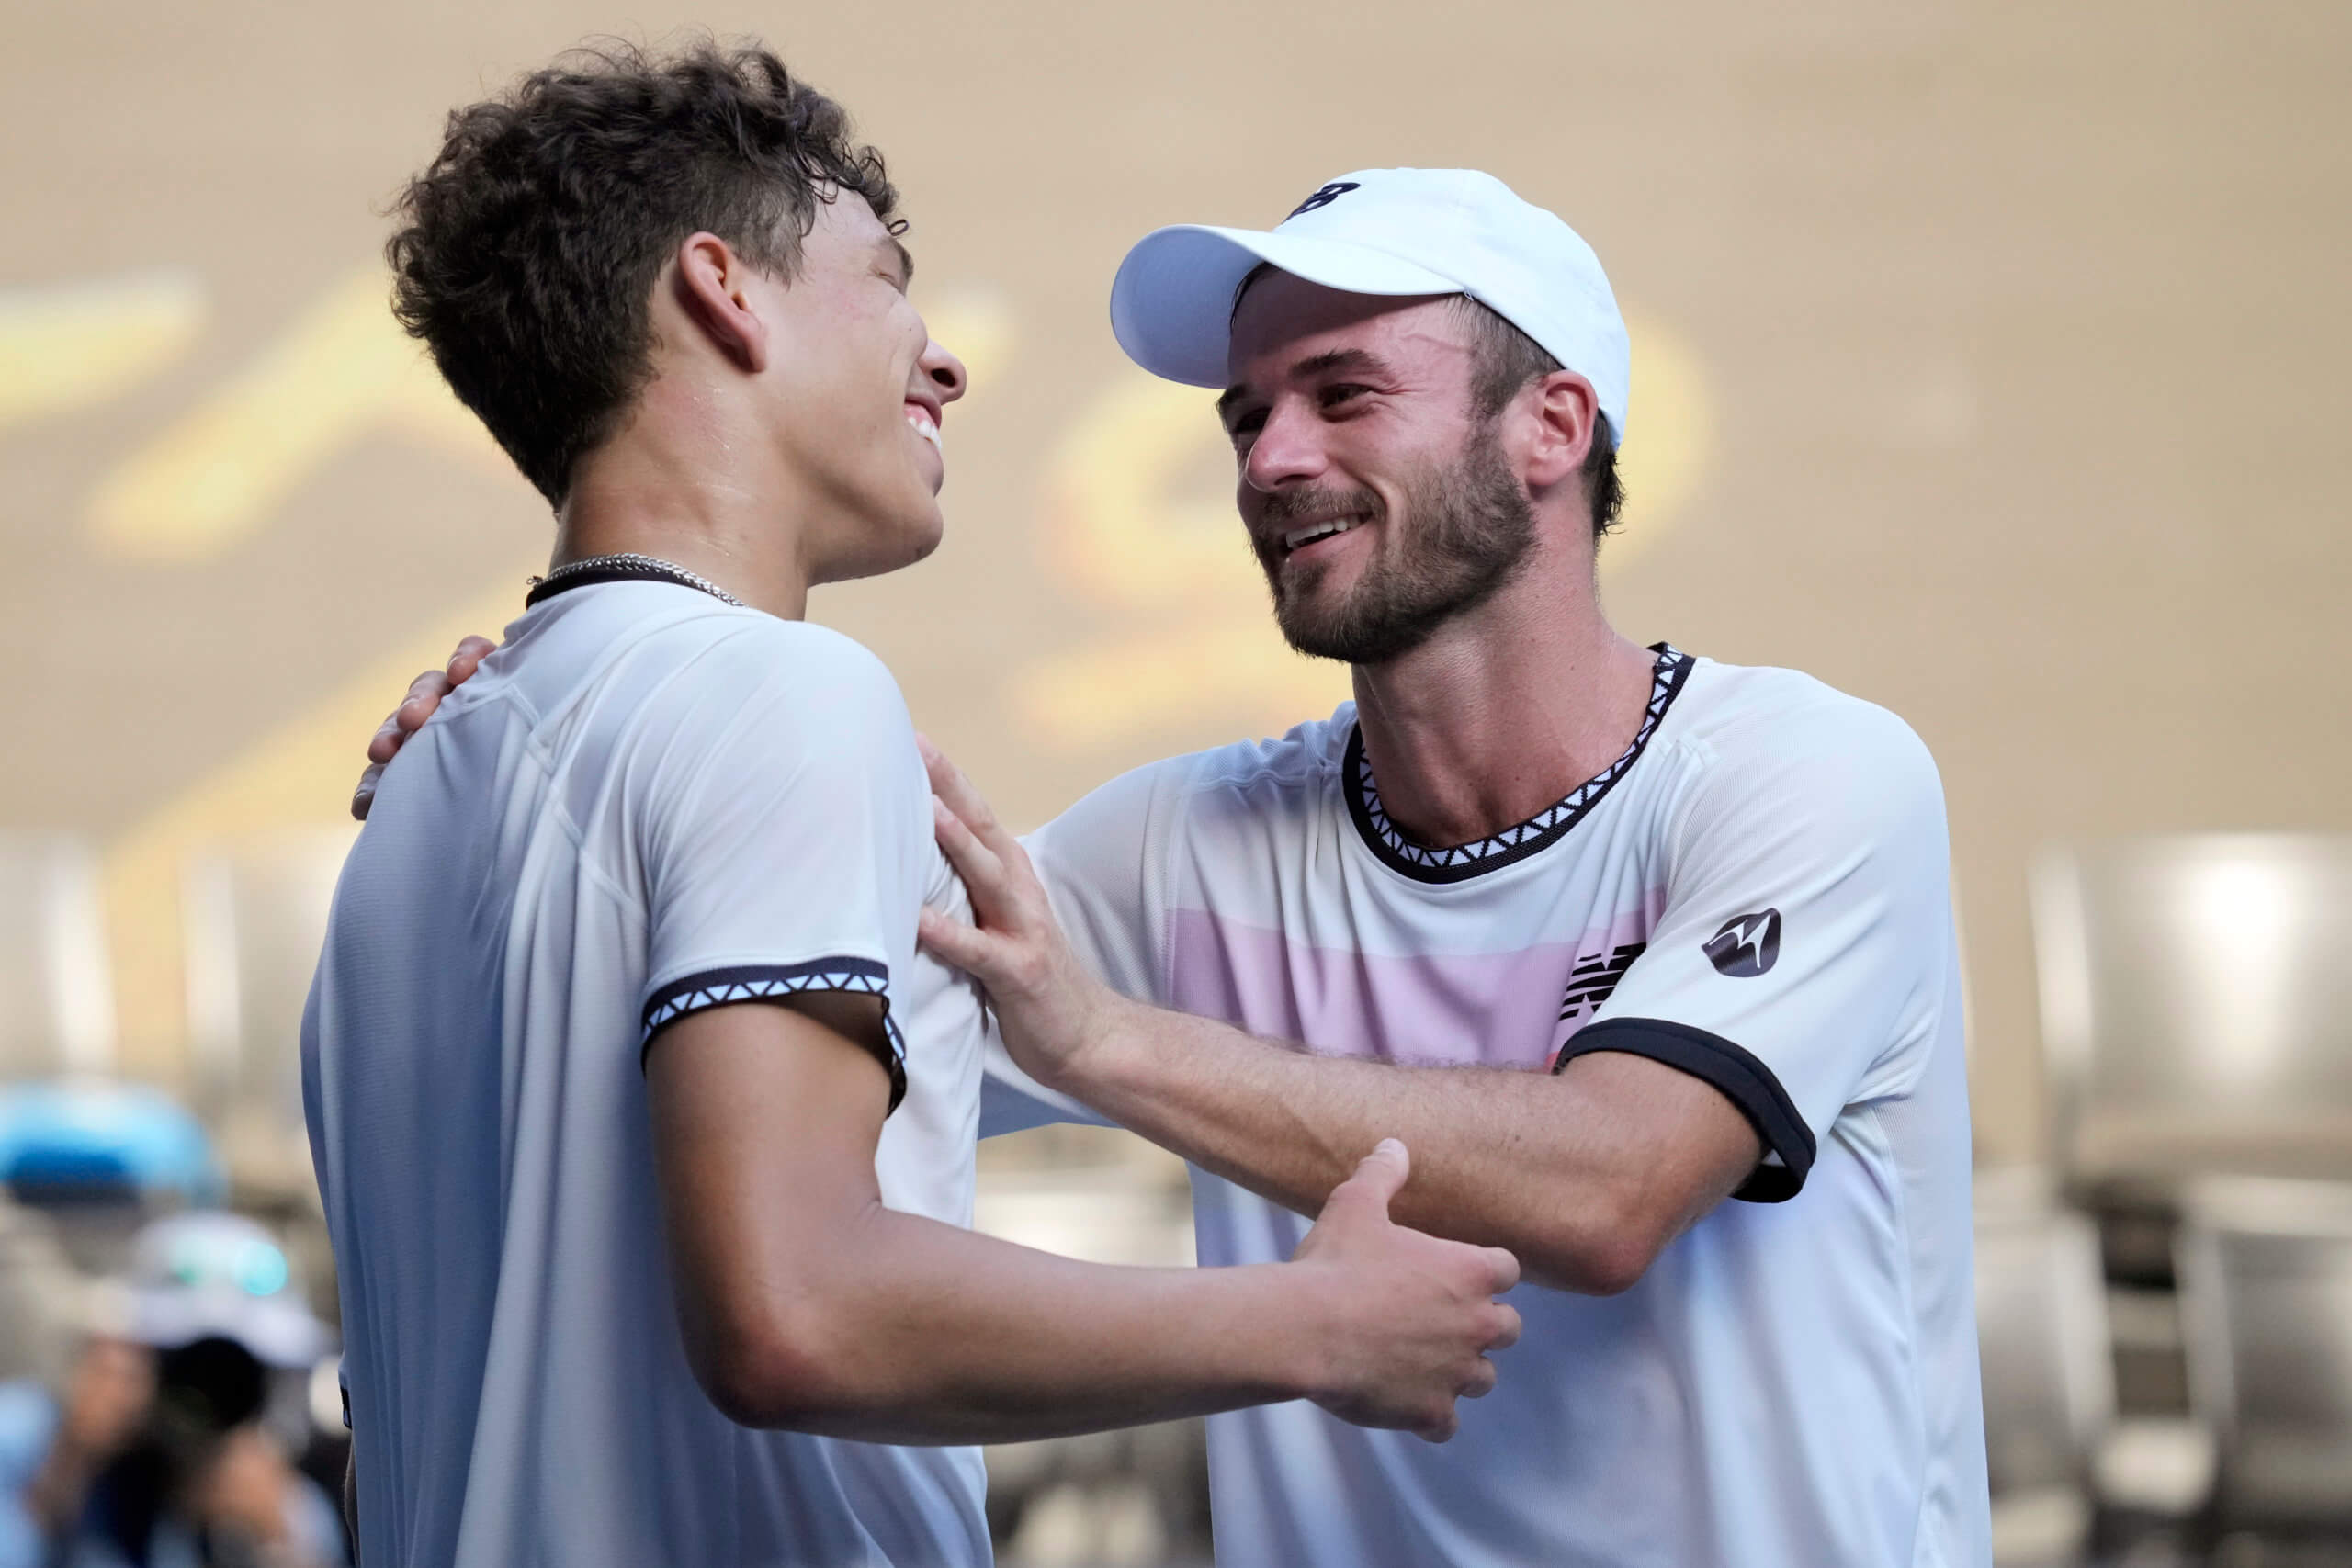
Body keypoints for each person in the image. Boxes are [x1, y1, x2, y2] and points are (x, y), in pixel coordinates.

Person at [362, 166, 1989, 1565]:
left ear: (1553, 427)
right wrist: (534, 745)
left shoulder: (1811, 777)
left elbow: (1616, 1189)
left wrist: (1118, 1045)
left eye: (1343, 393)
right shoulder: (1177, 845)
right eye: (1246, 413)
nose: (1269, 457)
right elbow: (732, 1001)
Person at [308, 47, 1519, 1568]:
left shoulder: (410, 809)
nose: (944, 362)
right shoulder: (782, 696)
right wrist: (1308, 1323)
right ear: (722, 292)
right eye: (887, 279)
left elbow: (392, 1448)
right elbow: (792, 1315)